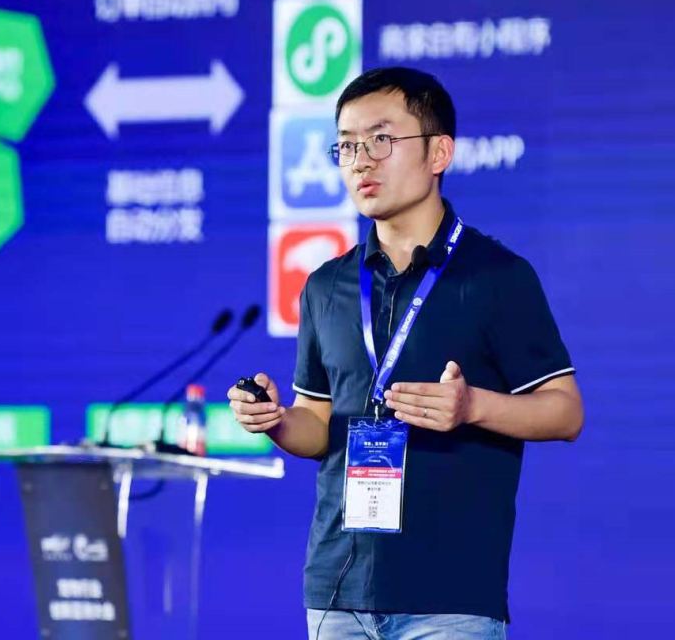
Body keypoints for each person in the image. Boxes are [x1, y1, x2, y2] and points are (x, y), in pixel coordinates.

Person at [228, 67, 583, 640]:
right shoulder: (327, 286)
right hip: (337, 594)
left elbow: (566, 412)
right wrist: (276, 420)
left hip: (450, 598)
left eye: (380, 140)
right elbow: (317, 426)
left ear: (439, 152)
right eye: (346, 146)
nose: (360, 161)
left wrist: (472, 407)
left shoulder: (498, 277)